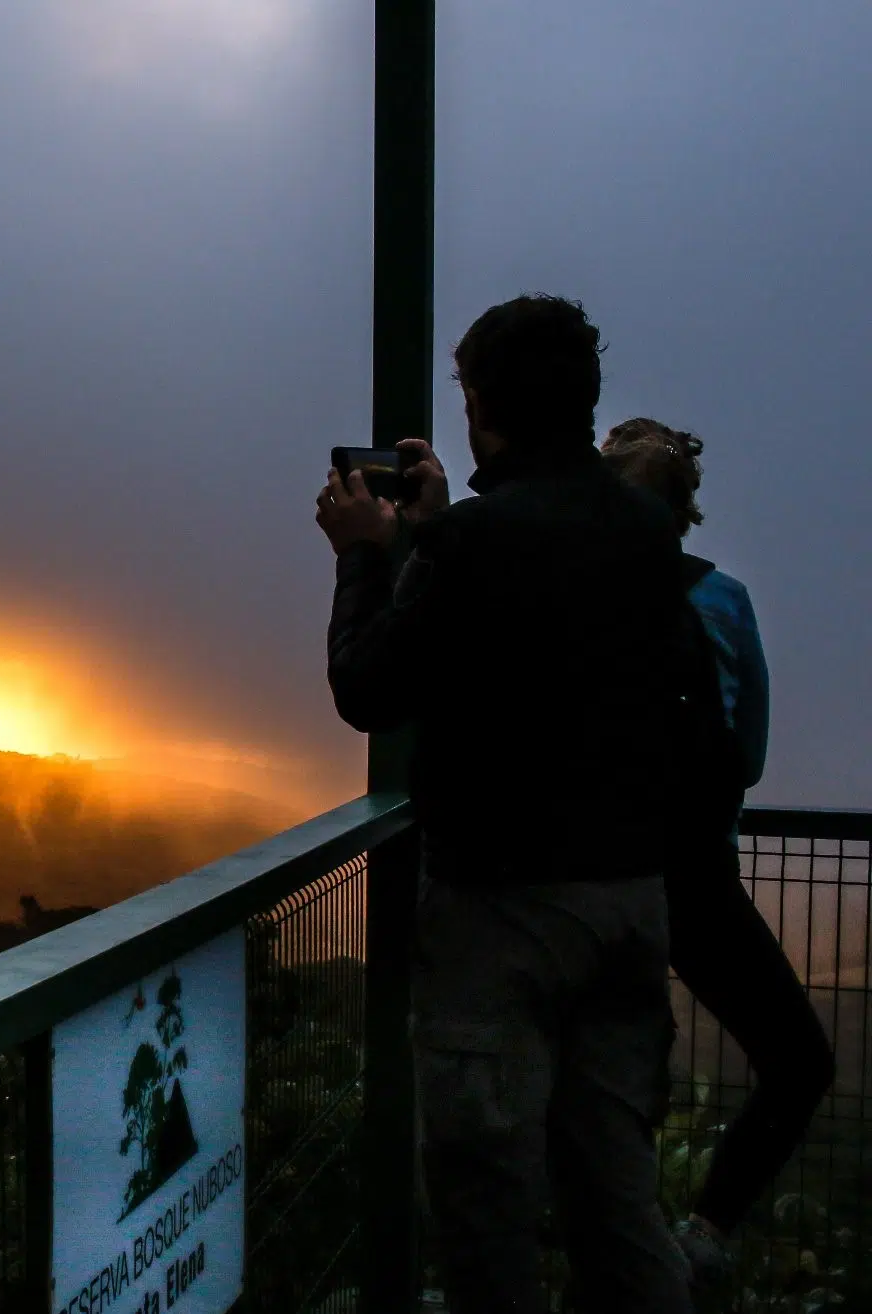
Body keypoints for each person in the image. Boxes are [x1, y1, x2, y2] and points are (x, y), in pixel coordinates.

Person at [315, 295, 694, 1314]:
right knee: (617, 1204)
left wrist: (364, 552)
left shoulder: (475, 546)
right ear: (581, 401)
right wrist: (436, 536)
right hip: (628, 905)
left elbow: (368, 687)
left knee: (486, 1213)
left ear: (478, 402)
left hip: (501, 913)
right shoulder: (644, 531)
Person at [600, 418, 835, 1292]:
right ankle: (703, 1235)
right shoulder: (724, 601)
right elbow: (751, 759)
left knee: (609, 1086)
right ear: (684, 512)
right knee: (801, 1062)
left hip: (580, 876)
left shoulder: (565, 590)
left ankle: (593, 1251)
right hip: (694, 884)